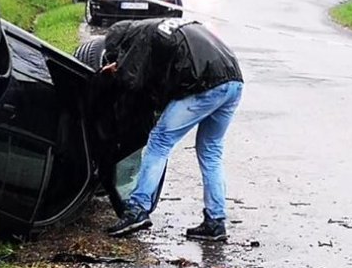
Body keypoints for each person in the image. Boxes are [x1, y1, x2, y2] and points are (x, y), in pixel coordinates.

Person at [100, 18, 244, 241]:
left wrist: (116, 72)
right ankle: (215, 221)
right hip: (233, 80)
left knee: (159, 141)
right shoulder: (162, 26)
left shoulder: (139, 37)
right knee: (210, 151)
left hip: (204, 83)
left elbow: (131, 80)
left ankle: (137, 209)